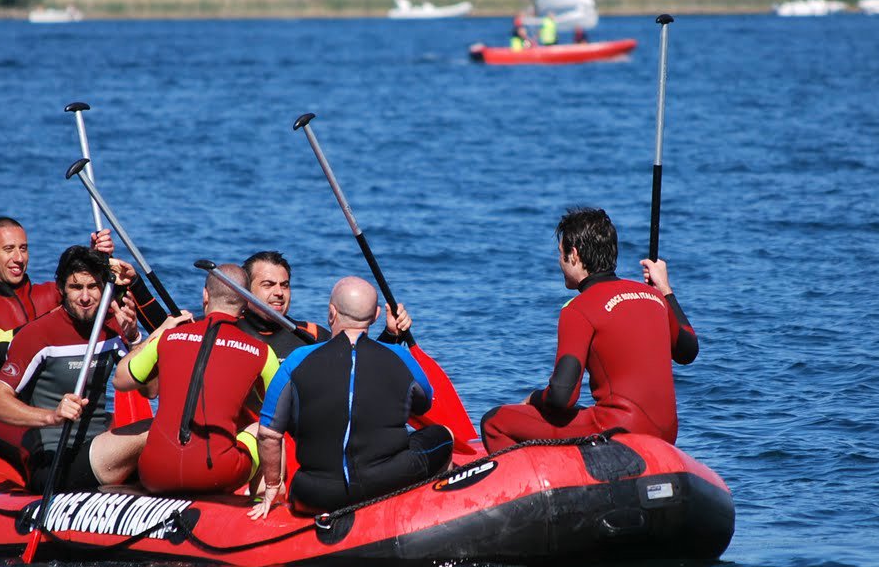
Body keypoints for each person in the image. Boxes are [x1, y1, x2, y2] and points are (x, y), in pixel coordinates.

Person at [478, 207, 698, 452]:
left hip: (620, 431)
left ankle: (546, 483)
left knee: (495, 421)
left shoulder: (578, 309)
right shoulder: (653, 296)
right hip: (666, 434)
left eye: (560, 253)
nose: (558, 261)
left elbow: (562, 397)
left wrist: (534, 398)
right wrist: (665, 289)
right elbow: (688, 350)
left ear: (574, 254)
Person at [249, 277, 452, 519]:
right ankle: (438, 510)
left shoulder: (297, 360)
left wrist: (272, 487)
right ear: (376, 316)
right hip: (387, 483)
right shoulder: (400, 357)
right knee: (443, 435)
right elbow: (423, 405)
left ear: (331, 313)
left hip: (312, 494)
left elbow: (269, 434)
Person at [0, 246, 145, 491]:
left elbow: (150, 391)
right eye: (76, 287)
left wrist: (134, 339)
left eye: (93, 287)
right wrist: (52, 416)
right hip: (56, 460)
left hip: (99, 451)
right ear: (60, 289)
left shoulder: (114, 327)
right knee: (150, 432)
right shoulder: (38, 335)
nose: (86, 297)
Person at [0, 217, 123, 451]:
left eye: (23, 249)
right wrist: (49, 323)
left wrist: (94, 261)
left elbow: (87, 296)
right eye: (8, 249)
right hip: (6, 419)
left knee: (132, 429)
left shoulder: (50, 293)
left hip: (66, 410)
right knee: (39, 443)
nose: (18, 258)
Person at [112, 264, 280, 495]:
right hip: (217, 475)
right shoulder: (261, 351)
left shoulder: (168, 337)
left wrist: (158, 332)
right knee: (264, 427)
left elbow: (120, 380)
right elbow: (283, 413)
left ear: (205, 296)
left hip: (154, 473)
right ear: (246, 303)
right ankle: (267, 502)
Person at [236, 250, 411, 356]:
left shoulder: (313, 337)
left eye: (285, 285)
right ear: (245, 290)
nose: (279, 292)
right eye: (268, 285)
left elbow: (359, 368)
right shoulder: (226, 332)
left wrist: (390, 334)